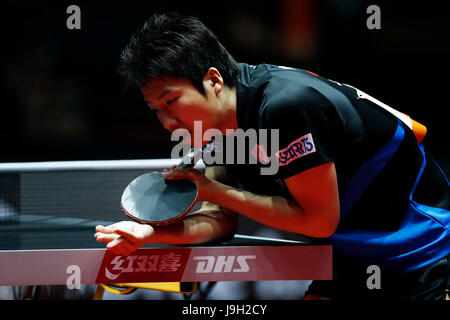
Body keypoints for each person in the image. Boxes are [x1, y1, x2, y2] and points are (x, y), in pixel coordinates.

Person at [94, 12, 450, 300]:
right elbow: (221, 220)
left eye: (171, 101)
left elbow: (319, 221)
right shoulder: (218, 131)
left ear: (213, 80)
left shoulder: (285, 107)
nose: (168, 123)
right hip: (353, 257)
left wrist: (212, 190)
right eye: (155, 109)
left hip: (424, 250)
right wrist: (149, 233)